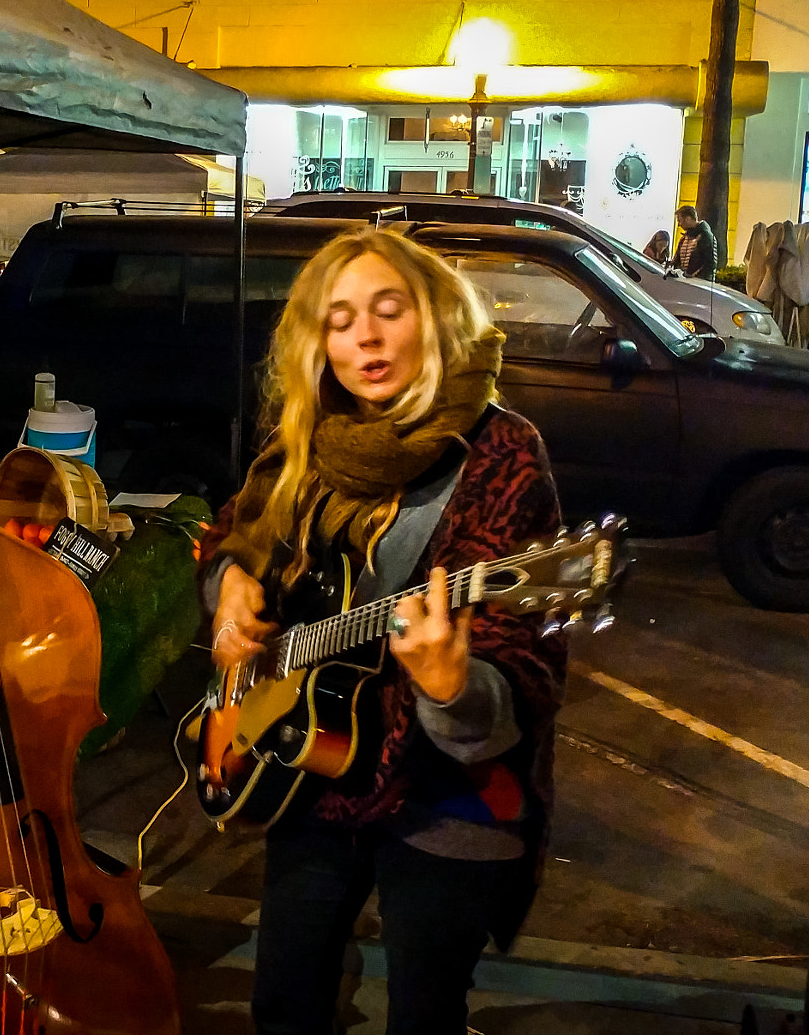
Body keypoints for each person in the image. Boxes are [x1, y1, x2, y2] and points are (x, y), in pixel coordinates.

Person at [201, 229, 567, 1035]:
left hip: (447, 798)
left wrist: (453, 689)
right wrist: (228, 590)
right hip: (315, 766)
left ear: (434, 319)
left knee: (424, 1013)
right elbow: (234, 536)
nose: (363, 337)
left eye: (387, 311)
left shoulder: (502, 453)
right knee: (285, 1003)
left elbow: (526, 664)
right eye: (338, 321)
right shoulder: (307, 440)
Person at [672, 205, 720, 279]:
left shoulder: (706, 236)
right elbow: (677, 260)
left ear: (688, 218)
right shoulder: (684, 238)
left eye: (680, 220)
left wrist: (695, 277)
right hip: (687, 282)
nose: (679, 224)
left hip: (699, 284)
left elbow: (710, 264)